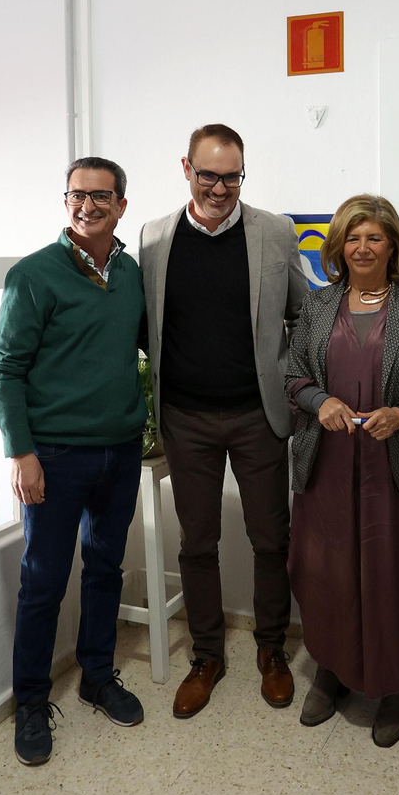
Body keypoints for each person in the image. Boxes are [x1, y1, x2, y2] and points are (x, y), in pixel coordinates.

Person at [138, 124, 309, 718]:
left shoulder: (275, 232)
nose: (219, 188)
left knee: (271, 538)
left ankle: (271, 650)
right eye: (207, 175)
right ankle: (206, 655)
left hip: (258, 414)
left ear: (242, 175)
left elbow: (303, 314)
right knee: (197, 542)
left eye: (231, 177)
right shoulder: (154, 237)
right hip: (185, 418)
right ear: (186, 168)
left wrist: (297, 387)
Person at [0, 156, 148, 767]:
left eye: (101, 196)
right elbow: (5, 370)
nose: (88, 205)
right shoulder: (32, 275)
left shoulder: (130, 274)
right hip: (54, 455)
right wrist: (21, 452)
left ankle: (97, 676)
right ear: (65, 202)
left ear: (121, 206)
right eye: (77, 195)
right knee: (44, 581)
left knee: (106, 567)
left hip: (121, 450)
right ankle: (31, 702)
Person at [285, 194, 399, 748]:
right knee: (326, 573)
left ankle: (393, 685)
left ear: (392, 245)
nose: (362, 247)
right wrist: (319, 401)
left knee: (391, 575)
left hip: (392, 468)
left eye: (374, 237)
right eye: (352, 238)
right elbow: (295, 377)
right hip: (325, 466)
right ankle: (330, 671)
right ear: (338, 246)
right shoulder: (317, 306)